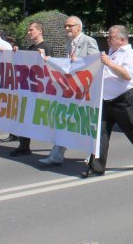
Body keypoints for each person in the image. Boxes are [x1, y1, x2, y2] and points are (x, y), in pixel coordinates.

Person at [82, 25, 133, 178]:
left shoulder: (129, 55)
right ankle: (97, 167)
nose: (108, 40)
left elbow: (127, 75)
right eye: (108, 37)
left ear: (122, 40)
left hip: (123, 99)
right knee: (100, 134)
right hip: (106, 99)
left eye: (111, 37)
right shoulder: (112, 52)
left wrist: (109, 63)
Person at [39, 15, 99, 166]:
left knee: (87, 123)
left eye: (70, 26)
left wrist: (78, 62)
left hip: (86, 91)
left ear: (79, 27)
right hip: (71, 89)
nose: (66, 29)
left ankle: (92, 156)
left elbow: (94, 62)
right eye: (65, 26)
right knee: (64, 121)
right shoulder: (69, 43)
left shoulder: (88, 41)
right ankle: (56, 155)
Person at [9, 21, 54, 156]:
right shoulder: (30, 48)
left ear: (40, 31)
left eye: (31, 30)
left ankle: (60, 144)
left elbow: (50, 66)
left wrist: (43, 56)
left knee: (46, 120)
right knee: (24, 117)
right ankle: (24, 145)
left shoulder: (46, 46)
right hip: (29, 89)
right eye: (28, 30)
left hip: (41, 91)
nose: (29, 32)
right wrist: (17, 53)